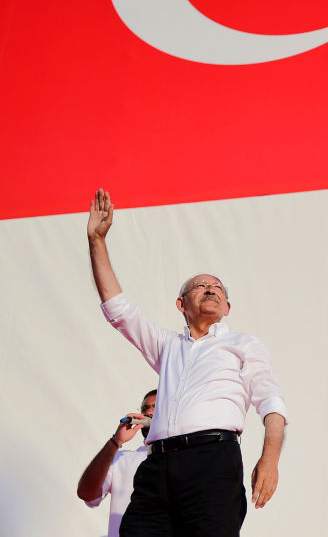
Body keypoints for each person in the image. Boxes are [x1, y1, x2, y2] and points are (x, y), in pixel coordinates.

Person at [86, 189, 288, 536]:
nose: (210, 289)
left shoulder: (242, 344)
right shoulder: (167, 346)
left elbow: (271, 403)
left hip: (212, 462)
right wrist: (97, 241)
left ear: (227, 307)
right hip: (158, 465)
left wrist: (269, 460)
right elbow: (118, 310)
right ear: (181, 304)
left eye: (217, 288)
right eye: (200, 286)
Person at [77, 390, 157, 537]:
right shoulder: (122, 458)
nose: (149, 412)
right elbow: (86, 494)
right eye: (145, 408)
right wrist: (116, 441)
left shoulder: (189, 456)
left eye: (156, 406)